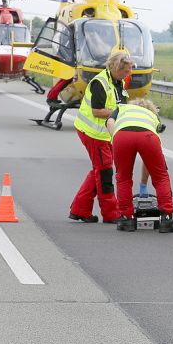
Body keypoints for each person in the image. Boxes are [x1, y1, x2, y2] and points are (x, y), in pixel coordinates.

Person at [70, 51, 131, 223]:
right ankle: (111, 213)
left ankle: (80, 209)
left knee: (99, 169)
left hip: (105, 134)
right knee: (104, 171)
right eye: (125, 71)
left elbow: (121, 104)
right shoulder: (100, 83)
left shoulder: (118, 82)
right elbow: (97, 111)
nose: (129, 74)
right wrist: (118, 113)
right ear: (115, 68)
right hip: (93, 133)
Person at [108, 99, 173, 233]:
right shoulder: (152, 115)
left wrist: (116, 138)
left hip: (122, 135)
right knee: (161, 177)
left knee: (123, 178)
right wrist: (143, 184)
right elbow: (149, 161)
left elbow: (110, 122)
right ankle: (167, 219)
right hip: (147, 136)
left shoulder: (122, 108)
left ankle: (126, 219)